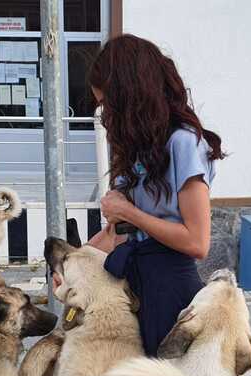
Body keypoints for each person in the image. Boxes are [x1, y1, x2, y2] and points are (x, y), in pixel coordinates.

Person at [84, 34, 224, 357]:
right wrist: (73, 263)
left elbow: (197, 242)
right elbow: (118, 234)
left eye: (107, 105)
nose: (105, 116)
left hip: (170, 291)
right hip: (133, 284)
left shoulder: (184, 143)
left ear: (130, 97)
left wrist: (129, 212)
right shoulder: (138, 147)